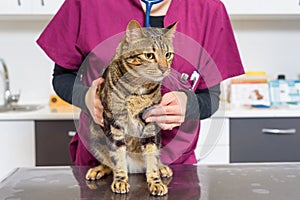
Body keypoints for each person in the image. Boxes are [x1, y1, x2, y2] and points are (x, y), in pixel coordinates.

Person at [37, 0, 244, 167]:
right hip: (101, 161)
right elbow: (62, 76)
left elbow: (211, 97)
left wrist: (189, 105)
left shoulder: (209, 10)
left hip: (173, 167)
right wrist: (85, 97)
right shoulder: (85, 4)